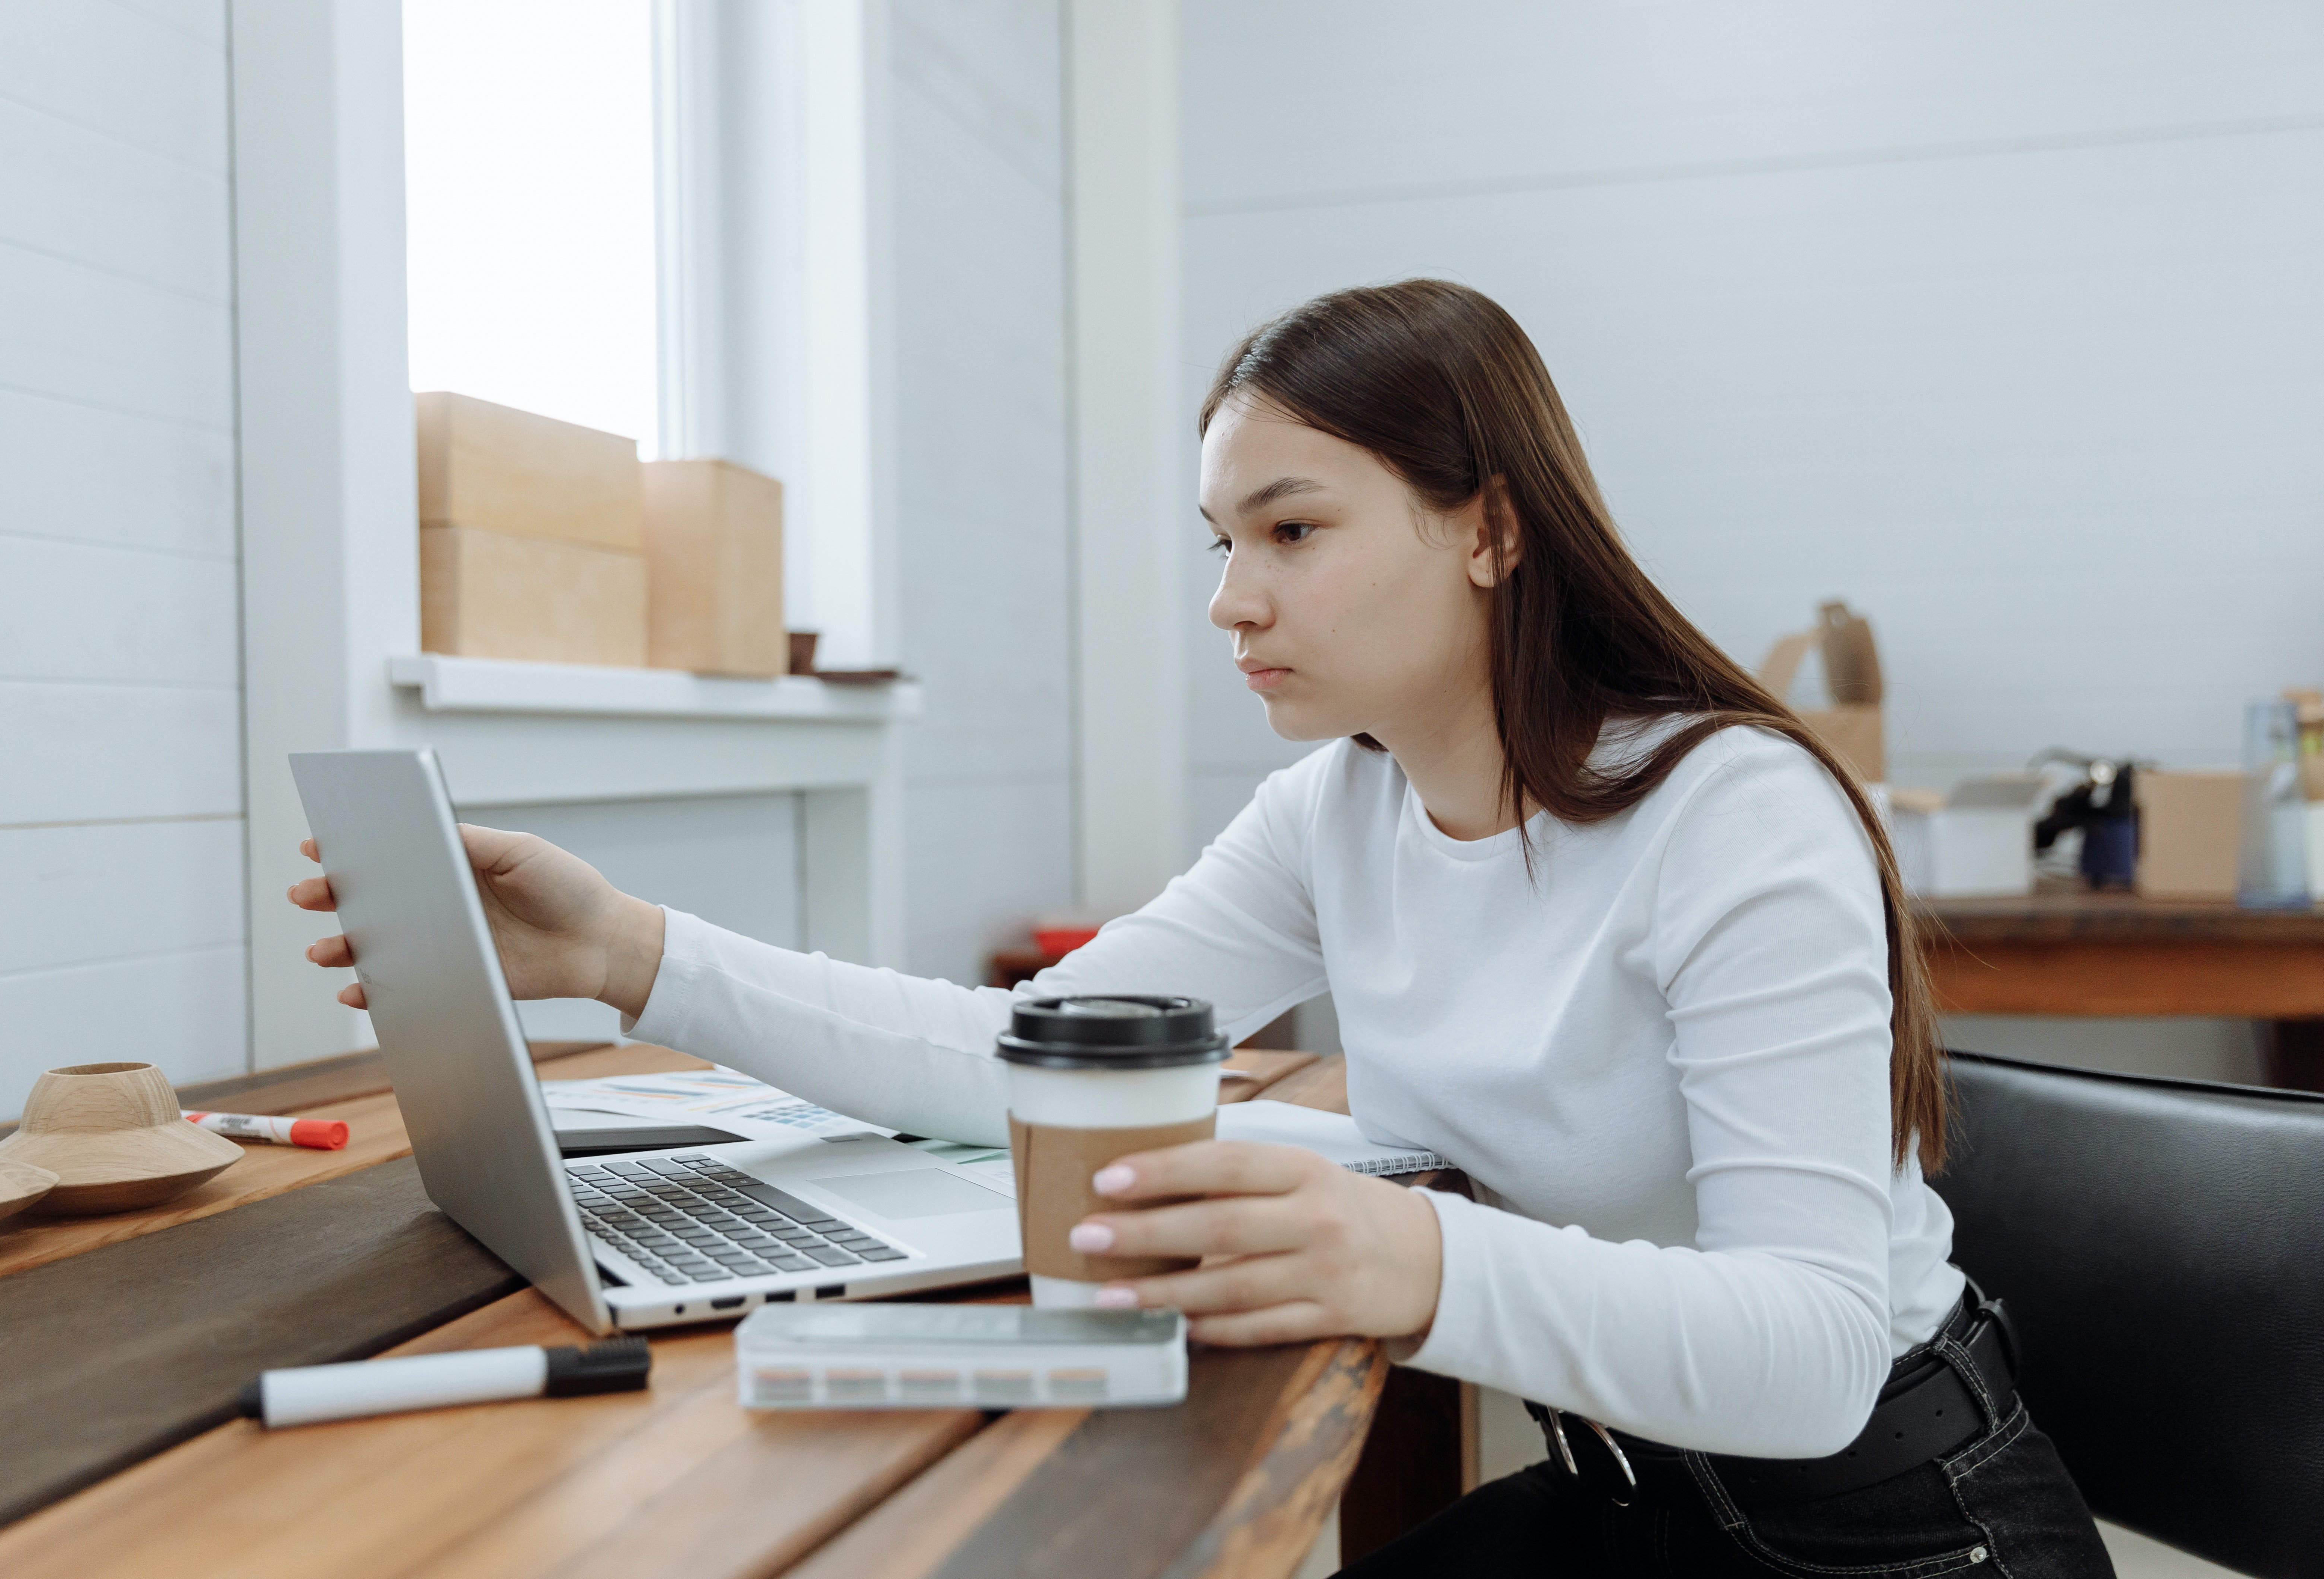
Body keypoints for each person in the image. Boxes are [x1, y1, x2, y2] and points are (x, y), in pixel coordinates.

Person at [292, 280, 2113, 1576]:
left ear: (1487, 529)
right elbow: (1023, 1053)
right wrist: (626, 953)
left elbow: (1802, 1356)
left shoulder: (1727, 810)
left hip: (1890, 1525)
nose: (1231, 602)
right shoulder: (1341, 805)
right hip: (1631, 1494)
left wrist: (1404, 1260)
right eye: (1215, 543)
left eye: (1291, 530)